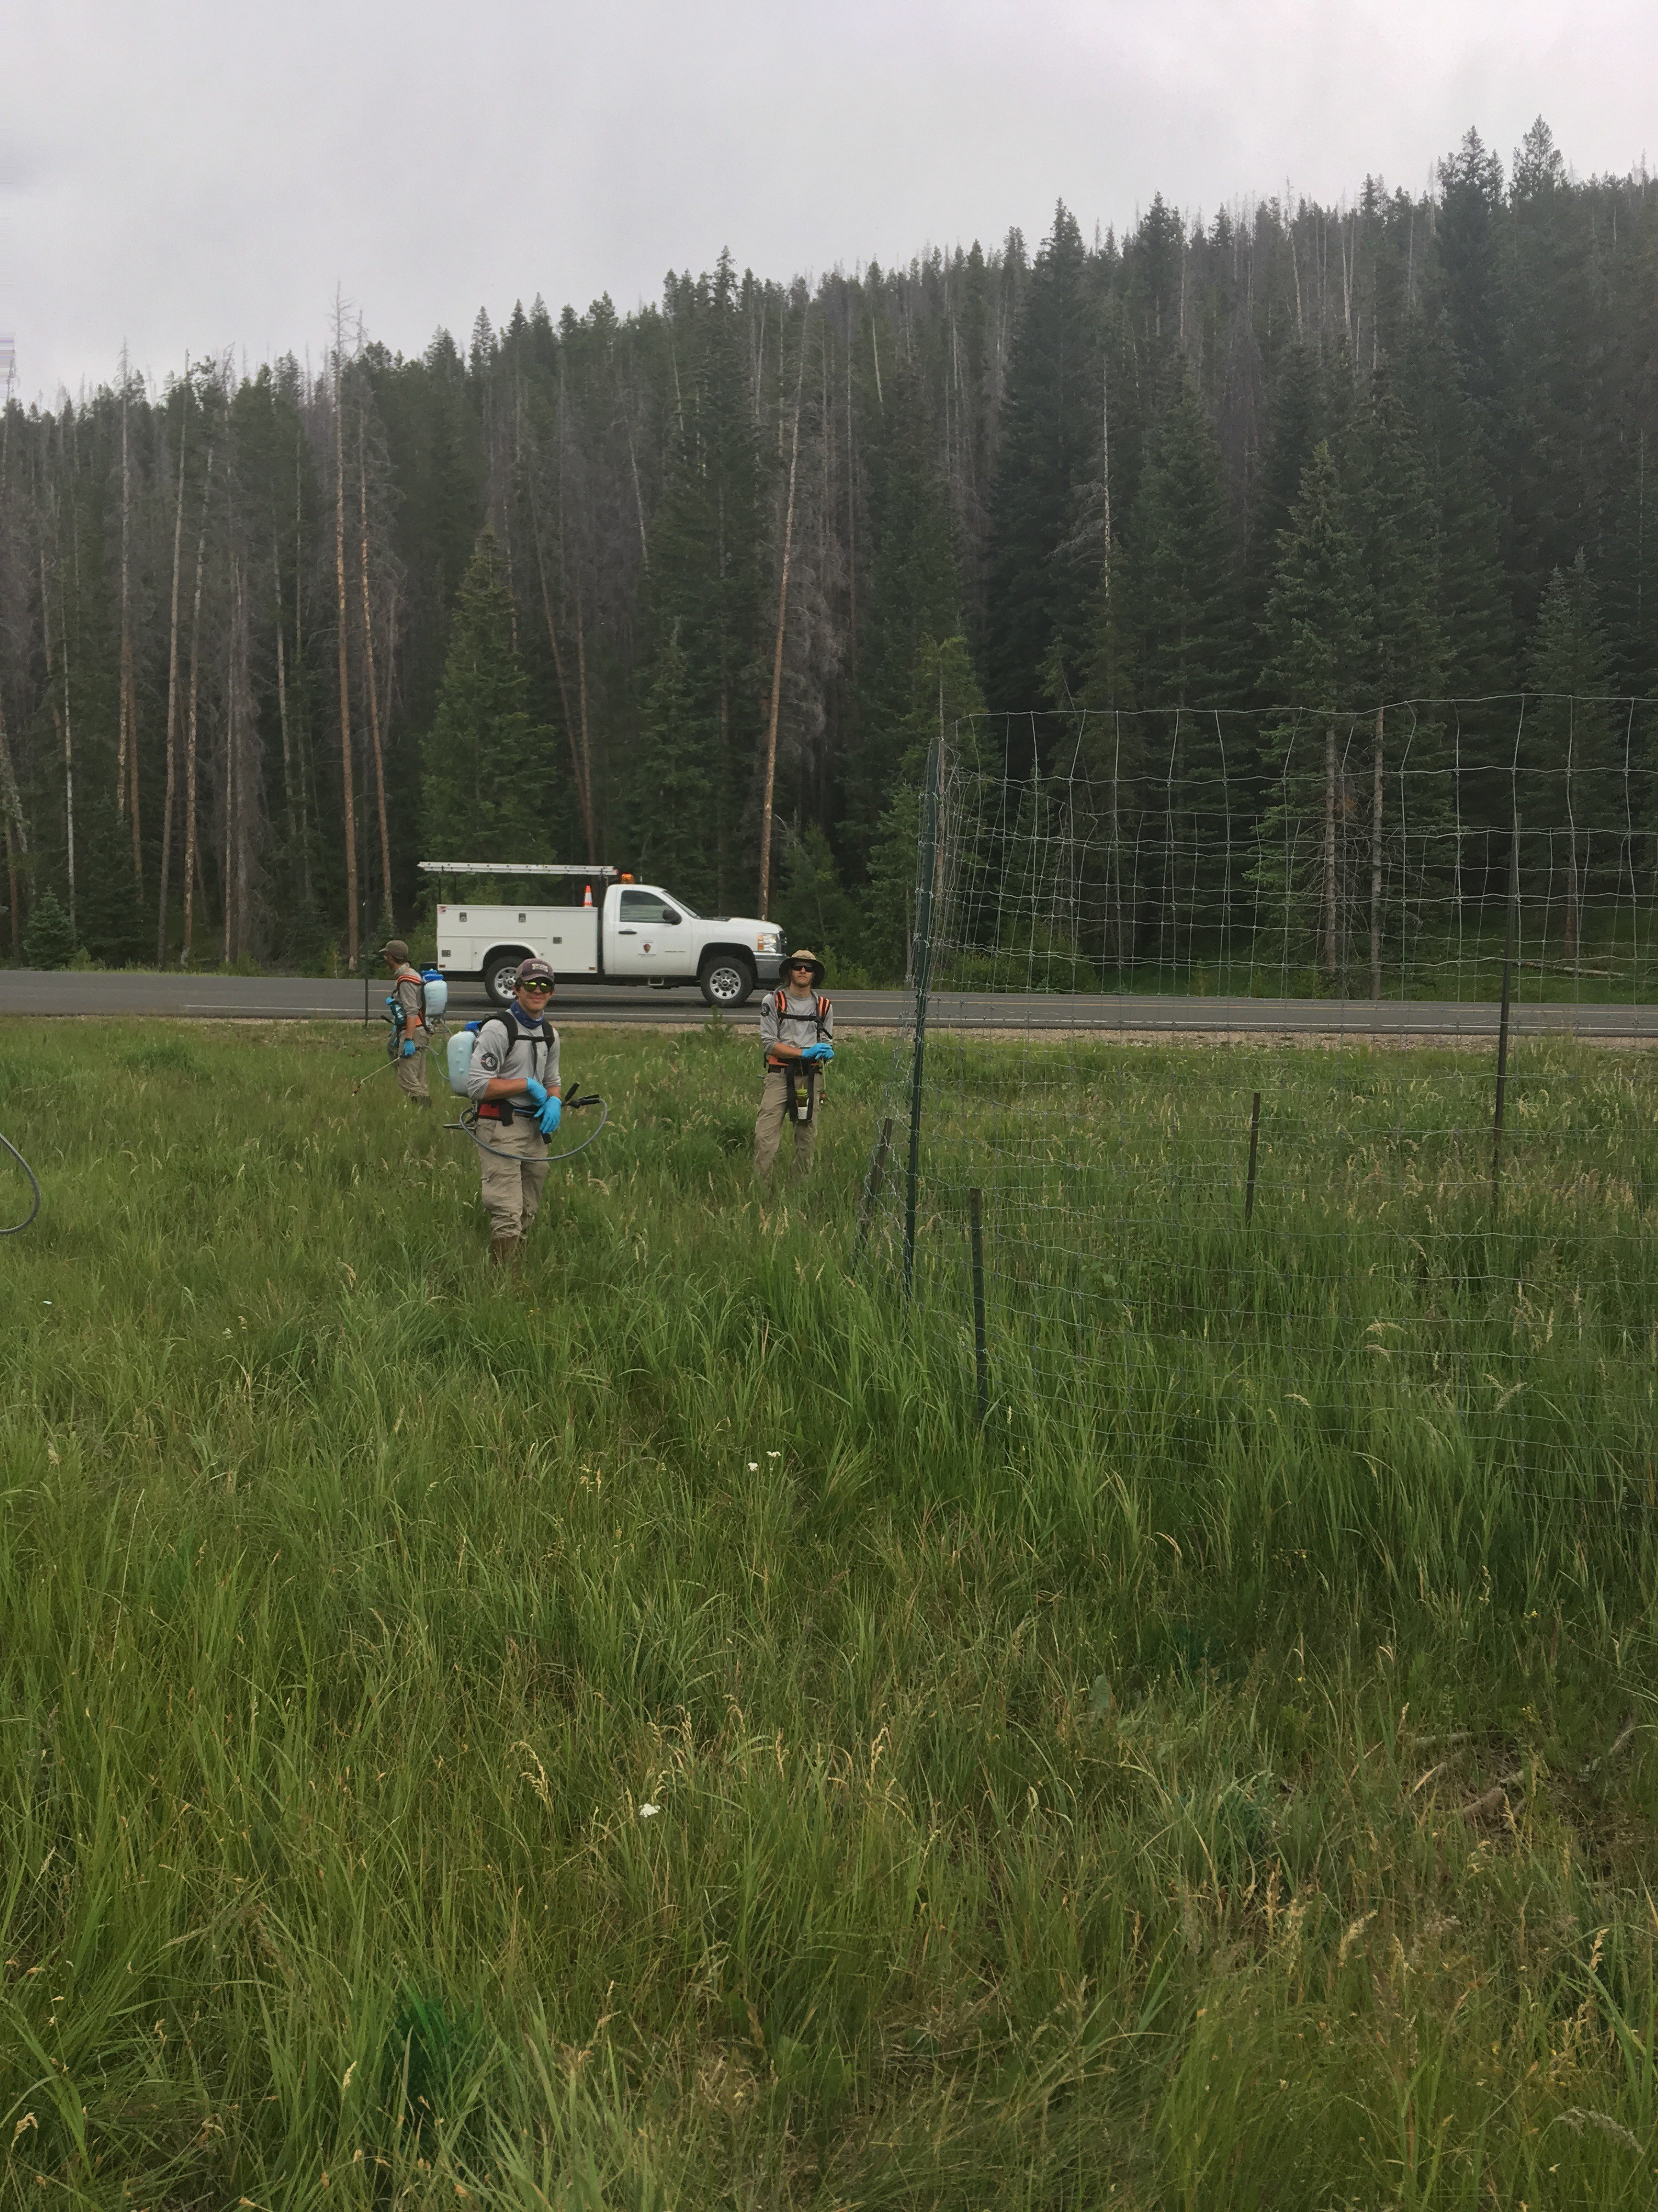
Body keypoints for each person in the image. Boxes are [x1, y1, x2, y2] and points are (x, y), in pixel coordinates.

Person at [466, 956, 562, 1265]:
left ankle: (515, 1266)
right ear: (516, 988)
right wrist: (525, 1086)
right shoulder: (498, 1029)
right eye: (530, 985)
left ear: (551, 992)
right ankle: (504, 1284)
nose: (538, 991)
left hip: (535, 1130)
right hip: (501, 1127)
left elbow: (553, 1081)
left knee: (528, 1207)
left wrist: (554, 1101)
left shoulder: (550, 1034)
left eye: (544, 985)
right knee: (507, 1209)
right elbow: (478, 1086)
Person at [755, 949, 833, 1180]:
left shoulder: (824, 1006)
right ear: (789, 971)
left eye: (808, 968)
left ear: (814, 974)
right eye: (798, 966)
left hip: (808, 1080)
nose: (802, 971)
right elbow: (769, 1044)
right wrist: (804, 1052)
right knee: (764, 1137)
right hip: (779, 1076)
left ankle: (799, 1190)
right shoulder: (773, 1002)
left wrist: (826, 1052)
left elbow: (827, 1040)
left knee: (805, 1138)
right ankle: (762, 1188)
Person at [380, 938, 430, 1107]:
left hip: (414, 1032)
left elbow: (412, 1011)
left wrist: (408, 1040)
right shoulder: (411, 975)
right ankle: (425, 1114)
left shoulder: (407, 979)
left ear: (391, 957)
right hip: (419, 1030)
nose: (385, 959)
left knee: (407, 1079)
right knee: (418, 1076)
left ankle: (423, 1109)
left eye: (386, 955)